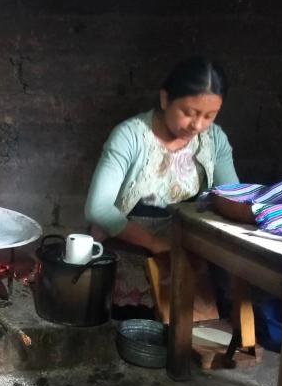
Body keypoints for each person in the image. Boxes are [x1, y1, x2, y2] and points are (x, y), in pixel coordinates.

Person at [84, 56, 239, 317]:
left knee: (203, 318)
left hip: (184, 249)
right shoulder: (130, 136)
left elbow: (232, 196)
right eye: (188, 113)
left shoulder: (214, 140)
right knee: (137, 325)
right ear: (165, 99)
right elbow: (98, 209)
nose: (197, 125)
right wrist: (155, 243)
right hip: (128, 245)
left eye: (209, 116)